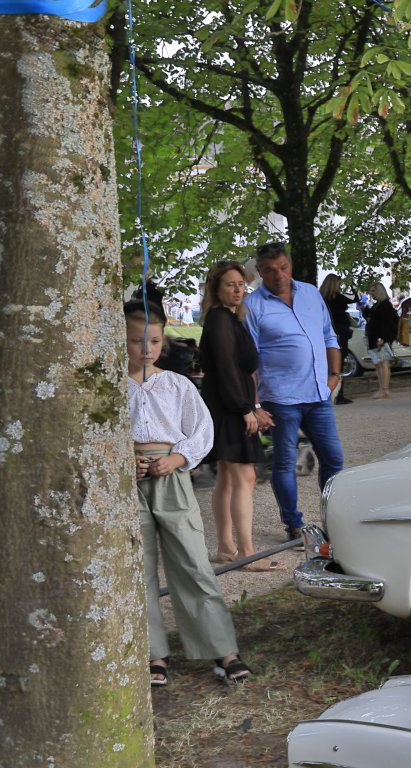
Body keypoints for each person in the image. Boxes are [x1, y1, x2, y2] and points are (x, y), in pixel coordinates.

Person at [124, 300, 252, 687]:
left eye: (154, 341)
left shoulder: (176, 385)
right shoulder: (110, 388)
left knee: (193, 563)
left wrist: (178, 458)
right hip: (127, 486)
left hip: (172, 480)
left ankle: (222, 649)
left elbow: (201, 430)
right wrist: (122, 461)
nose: (146, 349)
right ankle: (153, 653)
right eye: (136, 341)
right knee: (136, 569)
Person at [241, 240, 345, 542]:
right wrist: (255, 404)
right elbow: (249, 359)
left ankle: (334, 519)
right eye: (270, 270)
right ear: (260, 272)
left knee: (334, 459)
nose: (279, 275)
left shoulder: (310, 293)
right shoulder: (253, 306)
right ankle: (294, 524)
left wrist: (334, 376)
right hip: (281, 398)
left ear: (290, 265)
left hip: (318, 394)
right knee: (286, 463)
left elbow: (329, 336)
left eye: (283, 268)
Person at [197, 260, 278, 572]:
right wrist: (245, 408)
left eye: (241, 284)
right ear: (216, 289)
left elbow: (238, 370)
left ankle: (226, 548)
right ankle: (246, 553)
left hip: (229, 403)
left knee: (229, 478)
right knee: (244, 477)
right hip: (228, 406)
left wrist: (253, 406)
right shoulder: (220, 319)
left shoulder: (229, 318)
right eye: (230, 284)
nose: (237, 290)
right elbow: (227, 368)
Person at [319, 274, 357, 405]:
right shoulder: (338, 298)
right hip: (340, 332)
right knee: (338, 364)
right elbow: (355, 298)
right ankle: (338, 394)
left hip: (327, 332)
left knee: (327, 364)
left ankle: (327, 393)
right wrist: (352, 284)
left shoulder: (321, 298)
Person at [363, 281, 399, 399]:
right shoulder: (377, 304)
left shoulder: (385, 305)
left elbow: (387, 324)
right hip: (374, 338)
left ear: (380, 291)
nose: (371, 293)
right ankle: (382, 388)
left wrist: (382, 338)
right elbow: (368, 316)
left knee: (383, 364)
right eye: (370, 291)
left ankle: (384, 389)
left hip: (381, 339)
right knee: (378, 364)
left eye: (373, 291)